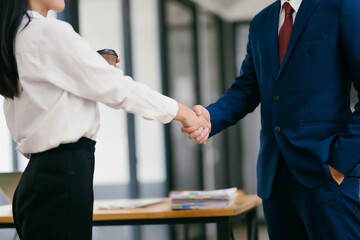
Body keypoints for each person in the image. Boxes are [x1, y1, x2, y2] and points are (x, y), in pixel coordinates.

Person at [0, 0, 210, 239]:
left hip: (39, 180)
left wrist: (92, 66)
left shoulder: (15, 37)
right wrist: (185, 114)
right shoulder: (48, 32)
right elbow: (118, 89)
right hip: (63, 178)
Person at [183, 0, 360, 239]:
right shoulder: (261, 22)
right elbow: (247, 88)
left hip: (325, 174)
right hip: (274, 178)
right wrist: (211, 116)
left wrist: (340, 163)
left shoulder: (343, 6)